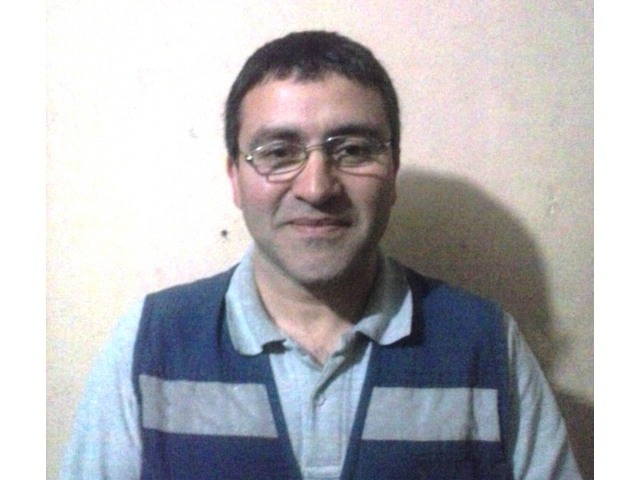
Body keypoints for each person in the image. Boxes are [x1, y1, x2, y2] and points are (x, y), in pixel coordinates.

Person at [59, 31, 582, 479]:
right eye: (278, 152)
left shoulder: (487, 346)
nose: (316, 187)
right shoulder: (150, 345)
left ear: (392, 172)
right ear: (234, 178)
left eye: (352, 149)